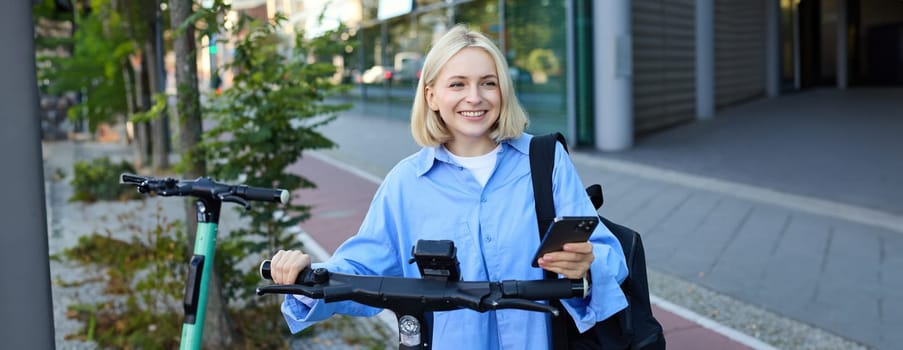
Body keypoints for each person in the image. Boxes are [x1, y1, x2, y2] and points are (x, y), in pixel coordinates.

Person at [269, 24, 628, 350]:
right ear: (431, 96)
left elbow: (608, 257)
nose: (475, 97)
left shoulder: (547, 161)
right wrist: (306, 276)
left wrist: (587, 264)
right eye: (457, 84)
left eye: (488, 83)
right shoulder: (406, 184)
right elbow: (360, 272)